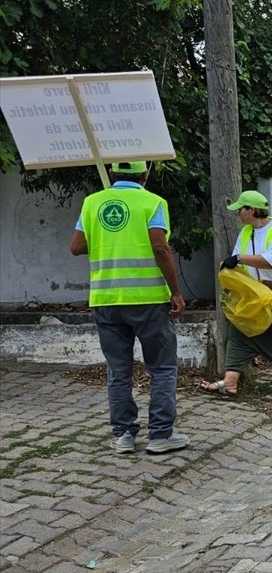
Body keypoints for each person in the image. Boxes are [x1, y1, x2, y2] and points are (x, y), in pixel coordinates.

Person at [68, 160, 188, 454]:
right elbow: (160, 247)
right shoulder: (153, 202)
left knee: (118, 370)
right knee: (161, 368)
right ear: (145, 174)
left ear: (111, 174)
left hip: (106, 300)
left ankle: (124, 435)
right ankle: (160, 435)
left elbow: (76, 246)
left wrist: (108, 238)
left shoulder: (92, 202)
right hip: (148, 300)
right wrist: (175, 292)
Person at [199, 191, 272, 401]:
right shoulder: (246, 232)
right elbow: (237, 258)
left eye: (241, 209)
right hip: (256, 295)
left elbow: (270, 261)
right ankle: (230, 382)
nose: (238, 214)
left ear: (251, 210)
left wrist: (239, 258)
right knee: (240, 333)